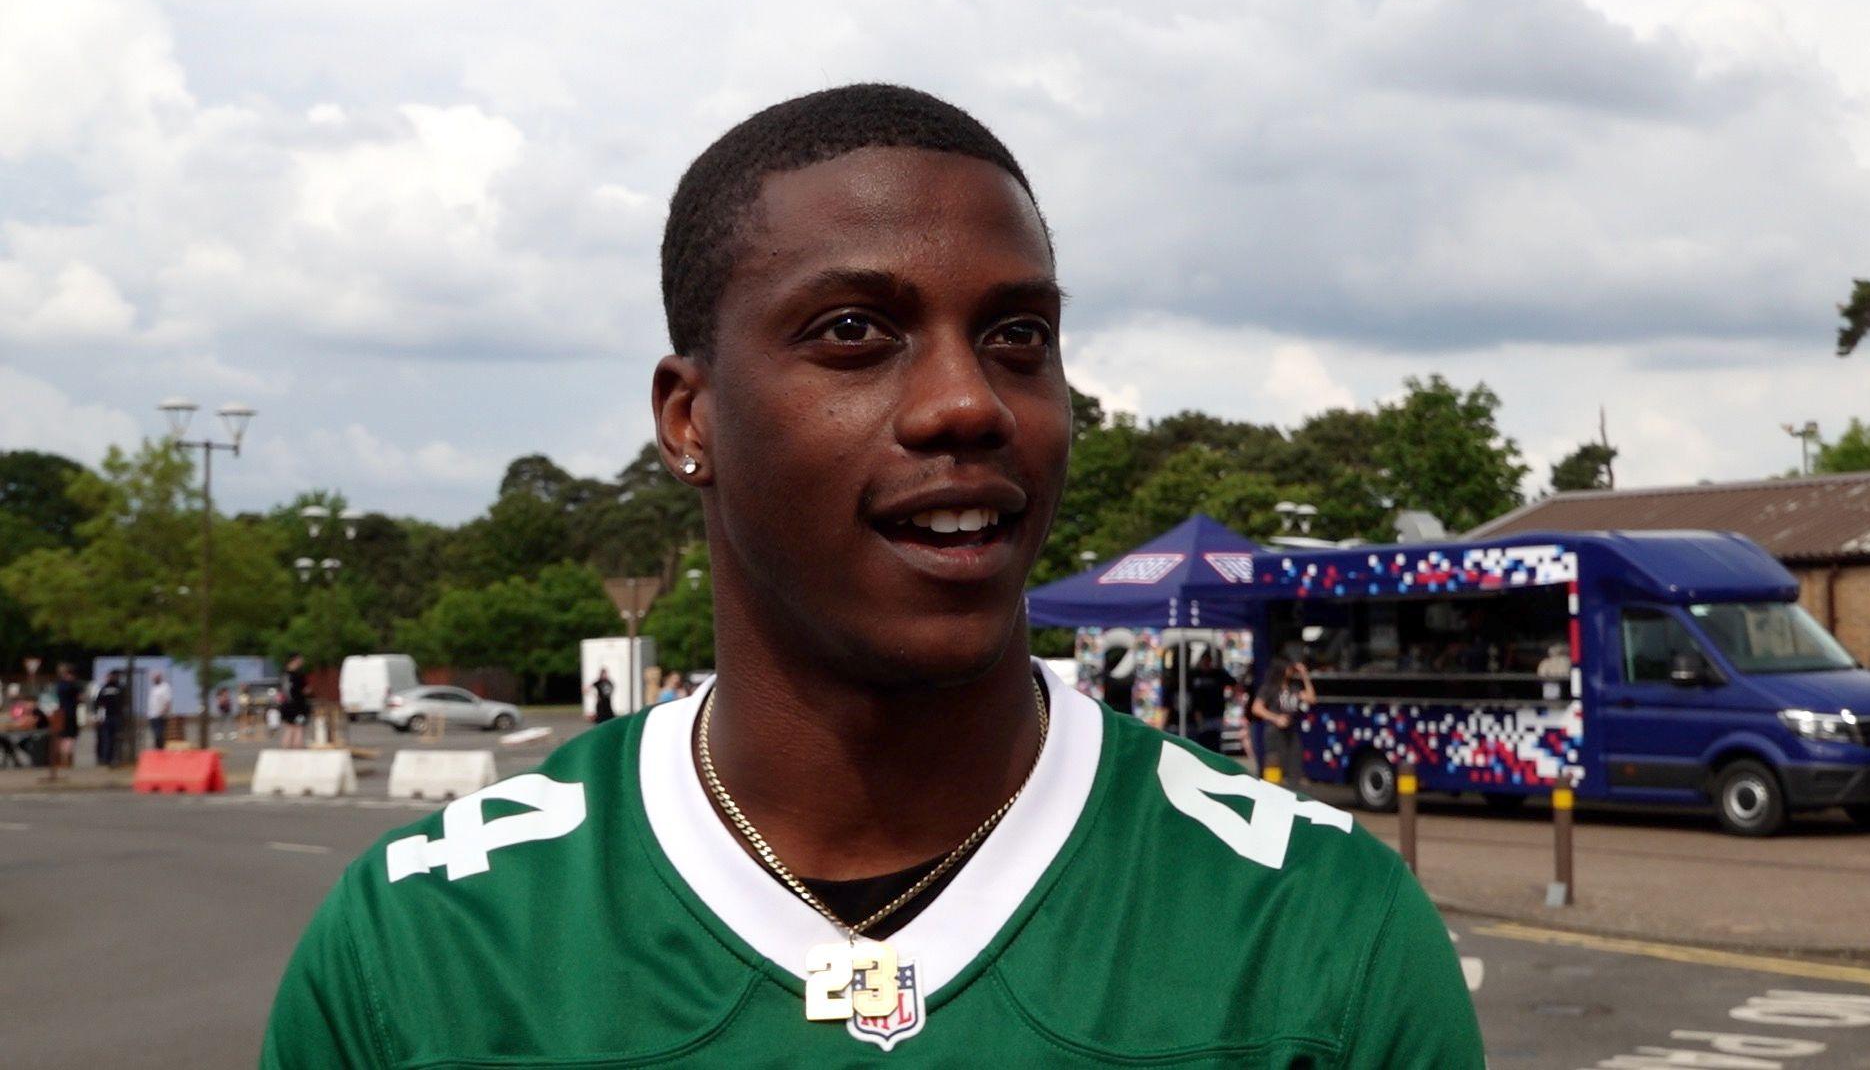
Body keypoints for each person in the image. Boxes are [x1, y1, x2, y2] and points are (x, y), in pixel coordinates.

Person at [264, 84, 1481, 1067]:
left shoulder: (1320, 933)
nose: (967, 401)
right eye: (854, 331)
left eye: (1019, 337)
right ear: (690, 419)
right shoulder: (426, 944)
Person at [1251, 658, 1316, 786]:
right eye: (1289, 668)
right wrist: (1276, 718)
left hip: (1291, 733)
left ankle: (1292, 788)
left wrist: (1304, 675)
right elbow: (1256, 708)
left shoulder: (1293, 688)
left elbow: (1311, 698)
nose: (1291, 670)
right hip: (1274, 733)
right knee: (1274, 767)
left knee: (1293, 766)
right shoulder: (1270, 688)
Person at [94, 669, 126, 767]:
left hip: (117, 716)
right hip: (107, 717)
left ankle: (115, 758)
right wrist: (98, 716)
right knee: (106, 739)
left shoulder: (120, 688)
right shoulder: (103, 689)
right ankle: (106, 758)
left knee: (117, 739)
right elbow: (98, 703)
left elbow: (124, 702)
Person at [52, 663, 81, 768]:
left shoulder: (59, 685)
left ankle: (61, 759)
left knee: (62, 737)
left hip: (61, 713)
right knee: (69, 737)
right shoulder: (72, 687)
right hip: (70, 714)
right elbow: (79, 698)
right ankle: (67, 759)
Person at [281, 654, 309, 749]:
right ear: (295, 660)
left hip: (285, 705)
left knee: (289, 729)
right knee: (299, 729)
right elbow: (304, 690)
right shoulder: (298, 675)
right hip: (298, 706)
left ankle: (285, 753)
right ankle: (297, 752)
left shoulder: (284, 674)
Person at [147, 671, 173, 752]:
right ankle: (157, 749)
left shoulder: (165, 687)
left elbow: (167, 701)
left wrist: (164, 711)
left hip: (160, 715)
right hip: (152, 714)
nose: (154, 679)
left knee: (159, 734)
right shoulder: (153, 688)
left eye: (156, 677)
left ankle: (160, 750)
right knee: (155, 734)